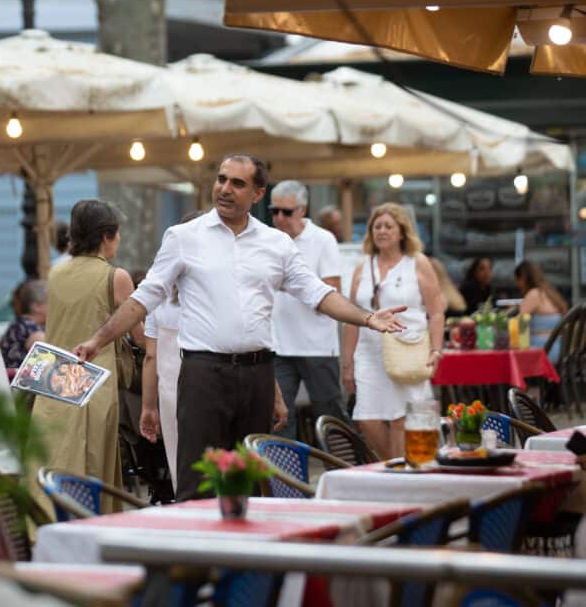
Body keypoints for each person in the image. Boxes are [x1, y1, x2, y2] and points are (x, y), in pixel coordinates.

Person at [72, 154, 406, 501]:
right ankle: (195, 555)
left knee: (253, 481)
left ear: (259, 193)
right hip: (203, 373)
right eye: (221, 179)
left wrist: (367, 318)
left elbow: (318, 293)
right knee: (197, 481)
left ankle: (248, 554)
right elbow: (144, 299)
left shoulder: (276, 243)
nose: (225, 189)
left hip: (258, 374)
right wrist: (99, 339)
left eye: (238, 183)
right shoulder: (184, 236)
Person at [31, 199, 144, 514]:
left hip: (54, 378)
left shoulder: (56, 272)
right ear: (106, 235)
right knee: (92, 463)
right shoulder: (115, 276)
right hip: (94, 378)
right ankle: (90, 526)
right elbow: (139, 335)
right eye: (117, 234)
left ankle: (45, 522)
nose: (118, 241)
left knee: (53, 457)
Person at [341, 203, 443, 460]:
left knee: (401, 417)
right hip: (369, 351)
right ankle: (395, 464)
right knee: (367, 418)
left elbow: (436, 311)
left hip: (407, 347)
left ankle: (401, 474)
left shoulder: (417, 263)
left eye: (388, 226)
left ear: (402, 232)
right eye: (377, 226)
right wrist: (347, 362)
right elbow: (353, 317)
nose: (382, 231)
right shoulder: (362, 266)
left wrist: (436, 349)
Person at [269, 180, 348, 439]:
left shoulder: (322, 239)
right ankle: (286, 479)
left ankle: (342, 475)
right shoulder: (268, 240)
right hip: (279, 344)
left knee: (330, 415)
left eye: (286, 212)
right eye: (274, 210)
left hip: (317, 345)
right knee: (280, 418)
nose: (279, 217)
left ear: (302, 210)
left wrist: (288, 284)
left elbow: (332, 288)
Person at [139, 210, 204, 494]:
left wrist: (147, 406)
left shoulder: (159, 296)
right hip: (209, 385)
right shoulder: (210, 295)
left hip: (170, 391)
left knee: (180, 462)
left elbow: (150, 357)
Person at [515, 260, 568, 361]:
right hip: (558, 351)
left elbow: (520, 329)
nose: (517, 285)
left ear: (523, 278)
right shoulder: (550, 294)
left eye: (518, 280)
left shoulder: (533, 294)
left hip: (542, 353)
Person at [0, 279, 47, 369]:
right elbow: (48, 366)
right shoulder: (32, 330)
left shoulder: (18, 324)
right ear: (36, 307)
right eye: (49, 303)